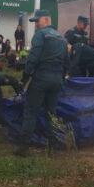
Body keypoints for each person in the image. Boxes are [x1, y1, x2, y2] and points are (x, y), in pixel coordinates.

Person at [14, 10, 68, 156]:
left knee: (31, 111)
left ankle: (23, 147)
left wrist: (24, 79)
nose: (36, 24)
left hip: (42, 78)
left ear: (46, 20)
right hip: (56, 80)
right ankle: (54, 146)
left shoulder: (41, 35)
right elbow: (66, 62)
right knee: (51, 113)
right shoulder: (62, 39)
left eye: (37, 21)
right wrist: (61, 79)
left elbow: (33, 58)